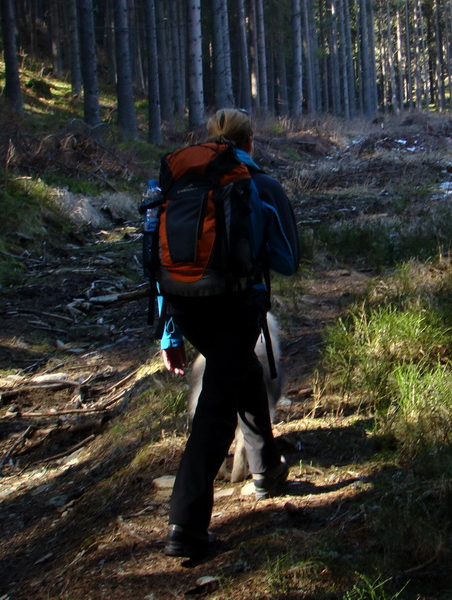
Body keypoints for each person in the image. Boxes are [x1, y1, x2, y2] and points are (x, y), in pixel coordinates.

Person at [159, 108, 300, 560]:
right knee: (217, 409)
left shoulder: (179, 181)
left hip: (186, 308)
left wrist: (169, 335)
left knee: (241, 370)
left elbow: (159, 261)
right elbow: (287, 260)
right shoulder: (261, 184)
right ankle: (186, 526)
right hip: (236, 307)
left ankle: (265, 468)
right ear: (251, 142)